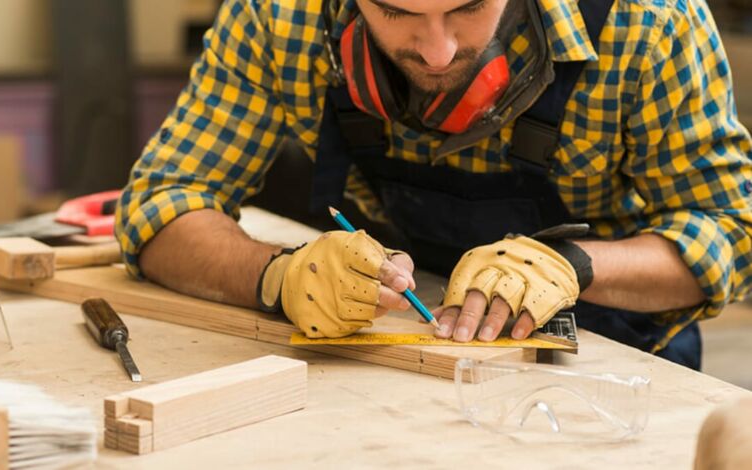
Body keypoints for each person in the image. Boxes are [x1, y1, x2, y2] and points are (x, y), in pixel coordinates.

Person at [115, 0, 752, 370]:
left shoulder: (647, 20)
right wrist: (278, 276)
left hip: (607, 361)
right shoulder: (281, 16)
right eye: (395, 11)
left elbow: (732, 229)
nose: (439, 52)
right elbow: (159, 204)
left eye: (470, 7)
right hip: (392, 358)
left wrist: (576, 264)